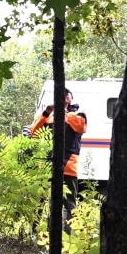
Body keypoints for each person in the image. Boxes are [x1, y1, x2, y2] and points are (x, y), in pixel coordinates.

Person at [28, 88, 87, 233]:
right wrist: (47, 111)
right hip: (47, 165)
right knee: (40, 201)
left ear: (70, 99)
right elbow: (34, 132)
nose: (64, 97)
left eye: (66, 95)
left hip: (68, 165)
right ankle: (34, 234)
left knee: (69, 204)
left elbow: (80, 127)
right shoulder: (49, 117)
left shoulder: (78, 114)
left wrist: (64, 112)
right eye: (61, 95)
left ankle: (68, 235)